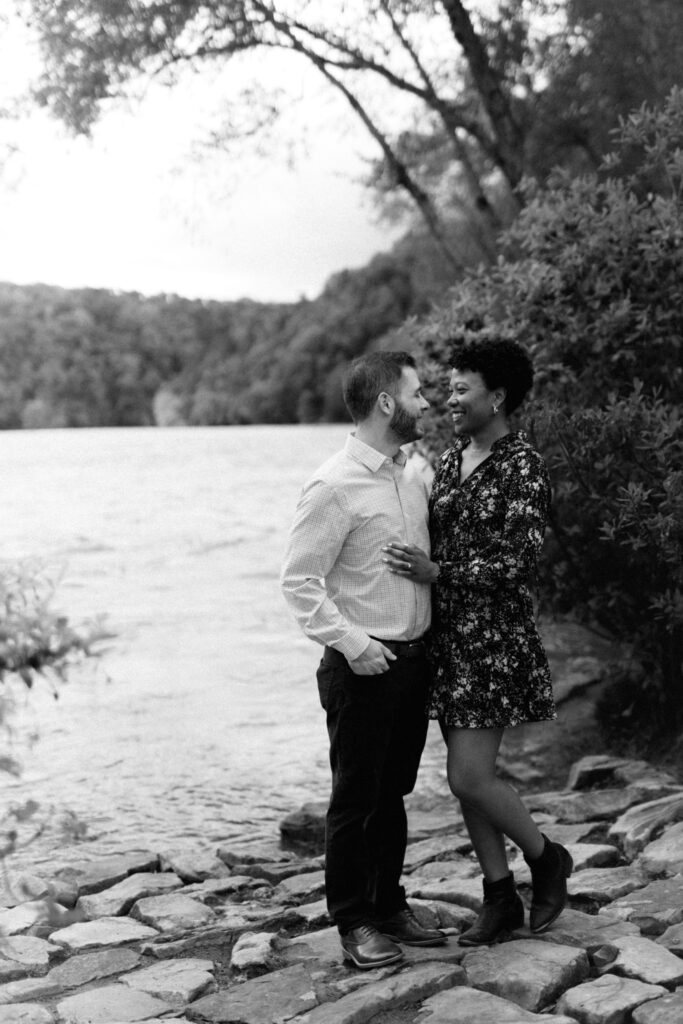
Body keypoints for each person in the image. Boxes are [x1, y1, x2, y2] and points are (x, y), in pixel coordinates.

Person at [383, 338, 572, 946]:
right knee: (464, 771)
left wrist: (441, 574)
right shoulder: (449, 457)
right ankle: (499, 896)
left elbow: (517, 562)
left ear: (499, 396)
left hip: (494, 639)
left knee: (468, 777)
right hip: (448, 639)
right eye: (449, 388)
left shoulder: (523, 467)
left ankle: (546, 859)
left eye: (463, 389)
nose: (451, 399)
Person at [280, 351, 445, 969]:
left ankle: (390, 904)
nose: (425, 402)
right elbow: (299, 582)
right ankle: (353, 922)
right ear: (386, 403)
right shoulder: (332, 485)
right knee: (354, 799)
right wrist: (355, 645)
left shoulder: (414, 471)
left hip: (413, 662)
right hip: (361, 666)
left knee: (394, 792)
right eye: (416, 392)